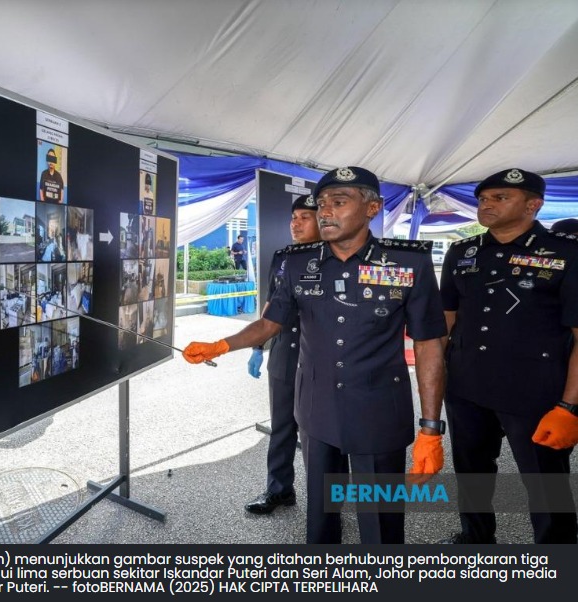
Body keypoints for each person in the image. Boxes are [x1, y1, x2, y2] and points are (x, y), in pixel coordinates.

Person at [183, 166, 447, 544]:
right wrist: (222, 345)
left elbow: (428, 344)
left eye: (338, 202)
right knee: (321, 516)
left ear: (372, 208)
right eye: (322, 204)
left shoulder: (407, 264)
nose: (325, 212)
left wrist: (431, 427)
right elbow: (270, 323)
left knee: (380, 522)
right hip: (316, 409)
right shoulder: (297, 263)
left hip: (378, 412)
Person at [438, 168, 578, 544]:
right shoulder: (462, 252)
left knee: (545, 484)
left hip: (535, 392)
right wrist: (434, 384)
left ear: (533, 205)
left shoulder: (566, 253)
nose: (487, 204)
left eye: (501, 198)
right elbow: (444, 321)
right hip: (466, 385)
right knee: (471, 472)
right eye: (484, 198)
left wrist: (569, 406)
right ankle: (475, 539)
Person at [244, 194, 320, 514]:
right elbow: (270, 303)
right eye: (294, 217)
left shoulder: (336, 256)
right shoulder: (282, 257)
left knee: (319, 434)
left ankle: (324, 504)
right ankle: (279, 490)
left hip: (319, 356)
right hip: (284, 352)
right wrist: (257, 346)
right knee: (282, 426)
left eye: (305, 217)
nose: (296, 223)